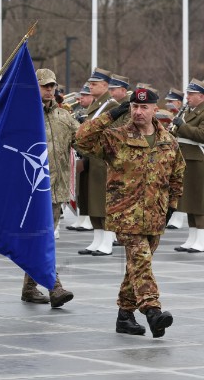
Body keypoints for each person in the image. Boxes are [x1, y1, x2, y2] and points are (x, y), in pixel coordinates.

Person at [76, 87, 183, 338]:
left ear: (155, 109)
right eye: (134, 106)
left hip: (156, 215)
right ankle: (153, 310)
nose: (138, 111)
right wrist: (111, 115)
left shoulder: (168, 141)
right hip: (126, 214)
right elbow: (81, 139)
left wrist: (172, 207)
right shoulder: (116, 137)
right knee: (141, 261)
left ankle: (125, 316)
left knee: (136, 267)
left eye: (144, 107)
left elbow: (177, 175)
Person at [21, 69, 76, 307]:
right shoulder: (22, 116)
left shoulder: (64, 117)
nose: (50, 89)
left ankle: (30, 288)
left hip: (55, 190)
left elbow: (84, 139)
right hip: (31, 190)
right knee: (42, 239)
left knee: (40, 239)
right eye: (45, 86)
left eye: (52, 85)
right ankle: (55, 287)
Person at [78, 68, 119, 256]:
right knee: (91, 200)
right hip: (91, 158)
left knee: (103, 201)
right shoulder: (96, 104)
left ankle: (108, 240)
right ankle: (97, 238)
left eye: (94, 84)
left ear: (105, 86)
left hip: (102, 159)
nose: (90, 86)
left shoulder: (110, 105)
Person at [170, 79, 204, 252]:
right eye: (187, 94)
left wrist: (182, 126)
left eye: (191, 94)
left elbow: (201, 135)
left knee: (199, 201)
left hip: (198, 160)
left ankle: (202, 239)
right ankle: (192, 237)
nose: (187, 97)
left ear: (201, 96)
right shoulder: (188, 111)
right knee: (189, 201)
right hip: (185, 159)